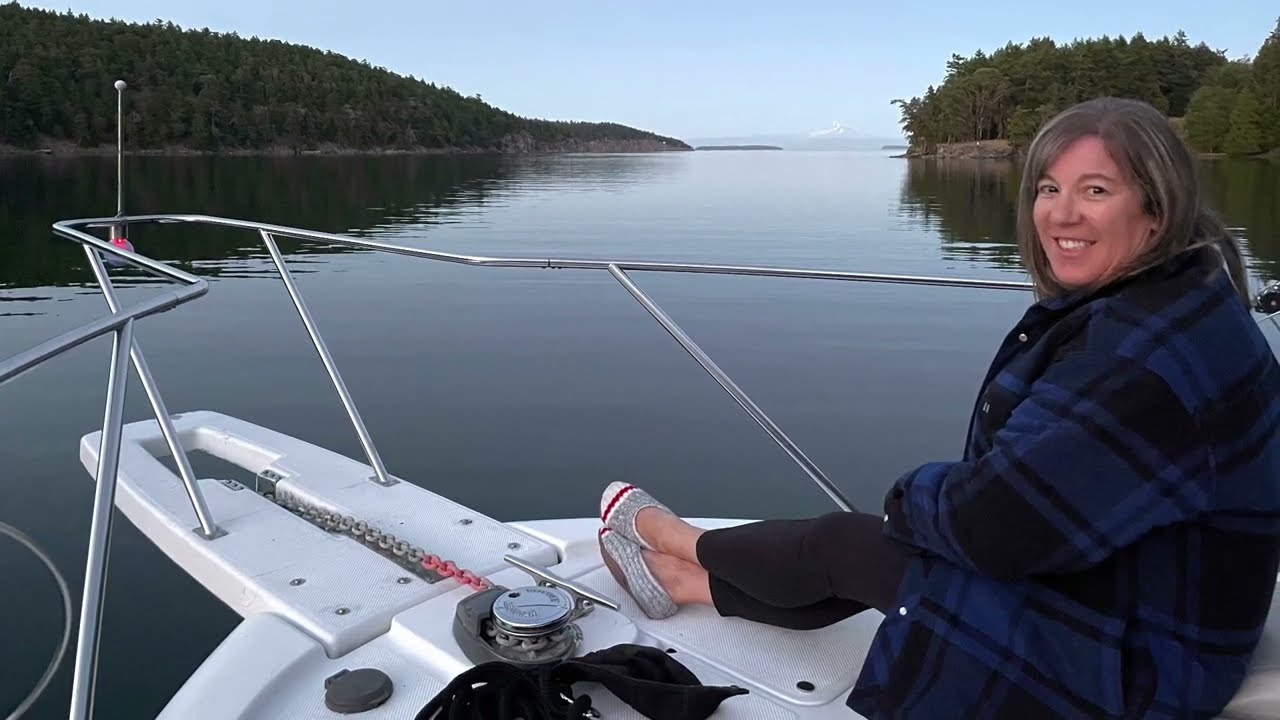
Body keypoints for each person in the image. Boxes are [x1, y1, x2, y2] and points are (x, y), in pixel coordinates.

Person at [595, 96, 1280, 719]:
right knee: (878, 555)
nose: (1060, 215)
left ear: (1156, 208)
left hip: (1140, 662)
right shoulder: (1188, 302)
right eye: (1048, 188)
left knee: (858, 544)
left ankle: (672, 542)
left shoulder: (1139, 362)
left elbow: (995, 527)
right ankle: (686, 581)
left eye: (1094, 191)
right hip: (1165, 603)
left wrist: (910, 500)